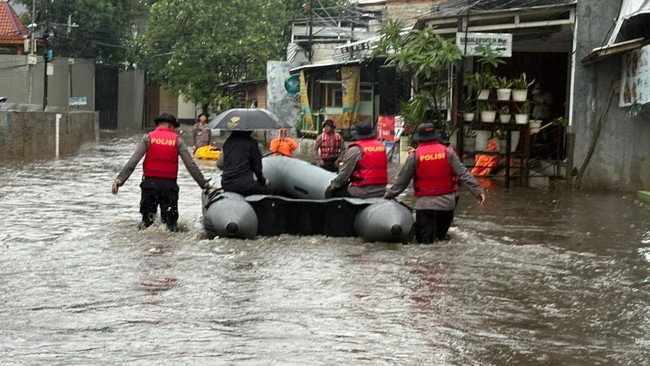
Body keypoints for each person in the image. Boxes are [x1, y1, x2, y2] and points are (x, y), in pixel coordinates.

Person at [111, 113, 217, 232]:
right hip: (169, 187)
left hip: (149, 185)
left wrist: (119, 181)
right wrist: (204, 185)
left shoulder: (148, 138)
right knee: (170, 226)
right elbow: (190, 165)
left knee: (147, 224)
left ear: (158, 125)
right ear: (171, 126)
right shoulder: (178, 141)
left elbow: (133, 162)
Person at [384, 123, 486, 244]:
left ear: (419, 138)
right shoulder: (448, 152)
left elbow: (402, 182)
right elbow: (464, 174)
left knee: (424, 244)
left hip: (426, 206)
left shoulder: (415, 155)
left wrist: (388, 195)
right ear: (435, 136)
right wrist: (478, 191)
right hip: (447, 206)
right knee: (441, 240)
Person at [325, 121, 388, 199]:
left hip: (364, 191)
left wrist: (332, 185)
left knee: (332, 193)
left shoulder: (355, 150)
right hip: (382, 190)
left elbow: (344, 175)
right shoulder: (382, 147)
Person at [216, 130, 273, 196]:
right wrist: (262, 181)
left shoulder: (228, 142)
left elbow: (220, 164)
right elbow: (258, 169)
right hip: (245, 186)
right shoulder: (252, 143)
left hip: (226, 184)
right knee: (268, 190)